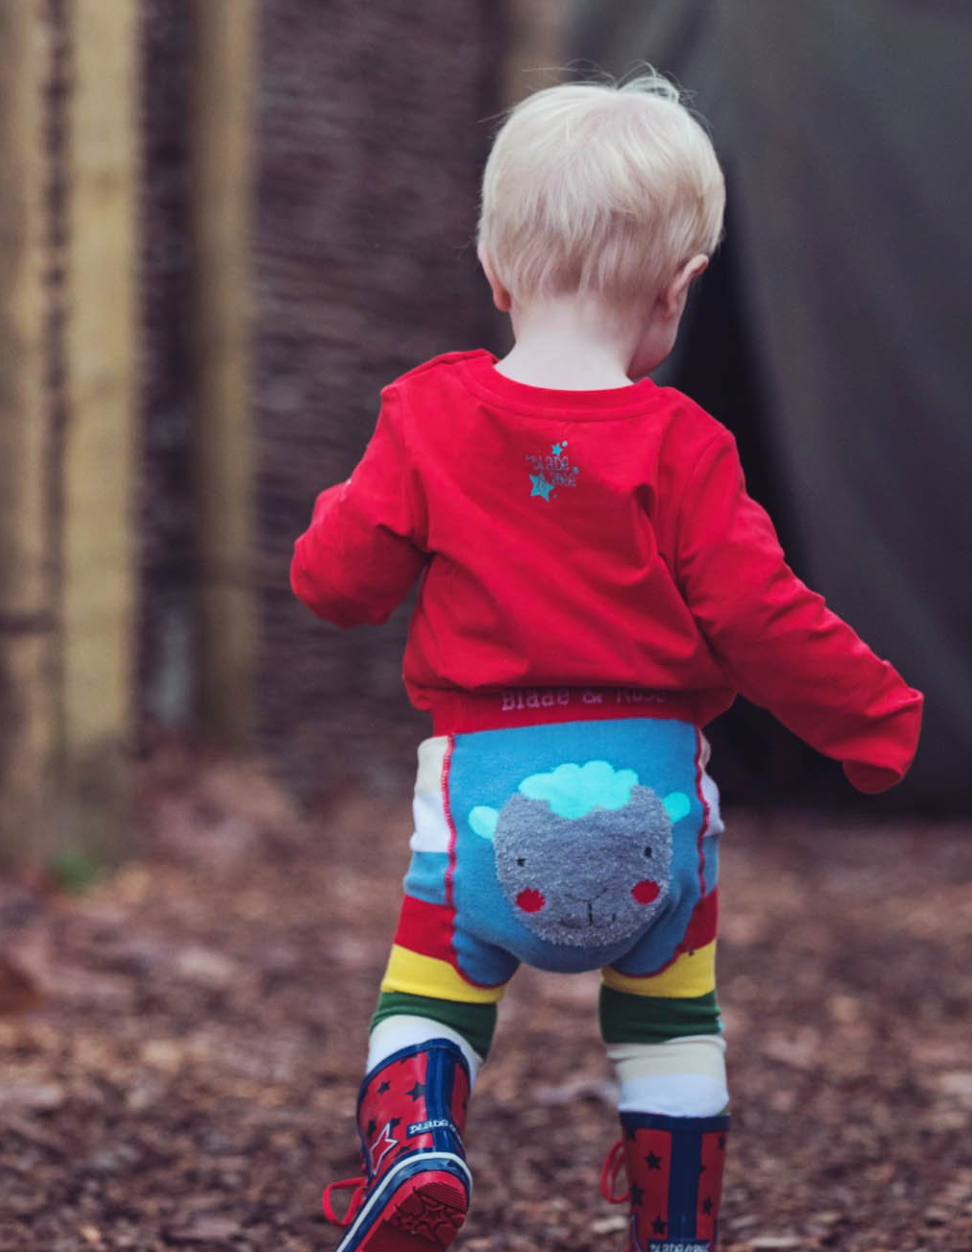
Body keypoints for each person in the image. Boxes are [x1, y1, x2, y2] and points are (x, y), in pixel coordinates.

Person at [291, 72, 923, 1252]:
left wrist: (361, 508)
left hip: (484, 799)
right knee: (673, 1020)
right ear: (679, 290)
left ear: (494, 269)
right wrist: (874, 718)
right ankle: (673, 1226)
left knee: (430, 987)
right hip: (656, 811)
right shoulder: (686, 444)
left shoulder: (429, 414)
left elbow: (336, 583)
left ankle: (417, 1140)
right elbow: (761, 612)